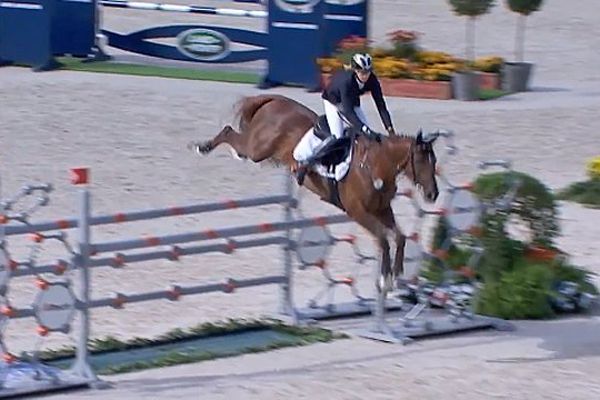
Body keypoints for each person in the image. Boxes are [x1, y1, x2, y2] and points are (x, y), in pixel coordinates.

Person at [293, 53, 396, 185]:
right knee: (338, 136)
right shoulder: (347, 82)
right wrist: (364, 129)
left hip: (351, 101)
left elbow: (381, 105)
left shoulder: (372, 80)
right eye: (362, 72)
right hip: (333, 102)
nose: (366, 76)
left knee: (367, 137)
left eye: (368, 72)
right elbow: (348, 113)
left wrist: (390, 129)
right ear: (355, 70)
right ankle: (307, 163)